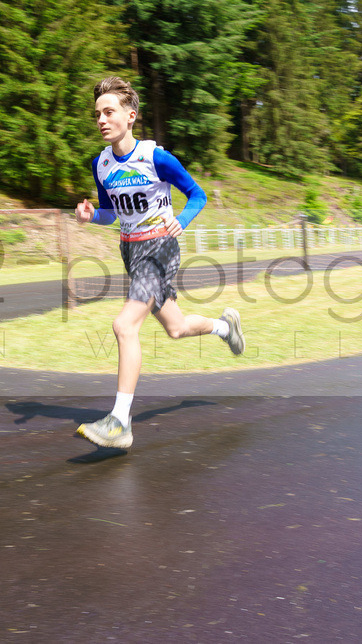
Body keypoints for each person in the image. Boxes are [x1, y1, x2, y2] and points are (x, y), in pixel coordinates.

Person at [73, 76, 245, 449]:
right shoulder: (101, 164)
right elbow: (111, 213)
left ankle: (119, 422)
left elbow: (197, 195)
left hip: (161, 248)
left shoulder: (156, 158)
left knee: (124, 325)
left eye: (109, 112)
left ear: (130, 116)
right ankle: (225, 327)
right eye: (97, 114)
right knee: (176, 328)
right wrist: (91, 217)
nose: (101, 120)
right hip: (131, 252)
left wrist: (181, 220)